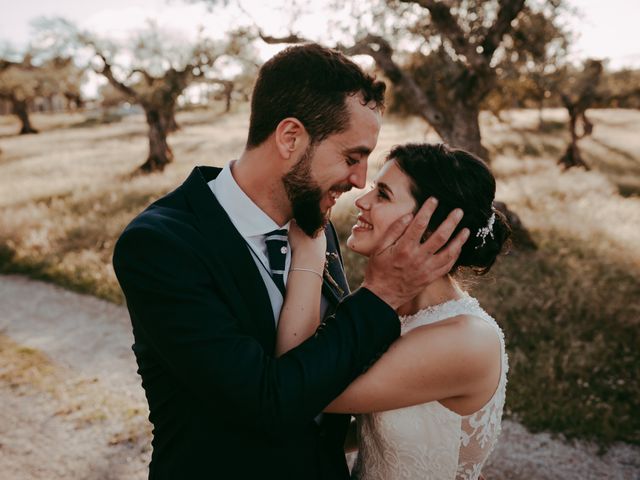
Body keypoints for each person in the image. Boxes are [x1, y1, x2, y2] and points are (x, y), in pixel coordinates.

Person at [112, 44, 469, 480]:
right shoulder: (161, 246)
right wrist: (383, 293)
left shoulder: (315, 221)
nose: (359, 181)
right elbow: (264, 403)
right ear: (290, 137)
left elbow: (328, 372)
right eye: (351, 157)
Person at [278, 143, 511, 480]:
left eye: (383, 195)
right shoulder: (395, 312)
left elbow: (300, 387)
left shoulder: (465, 340)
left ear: (431, 227)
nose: (361, 201)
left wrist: (310, 256)